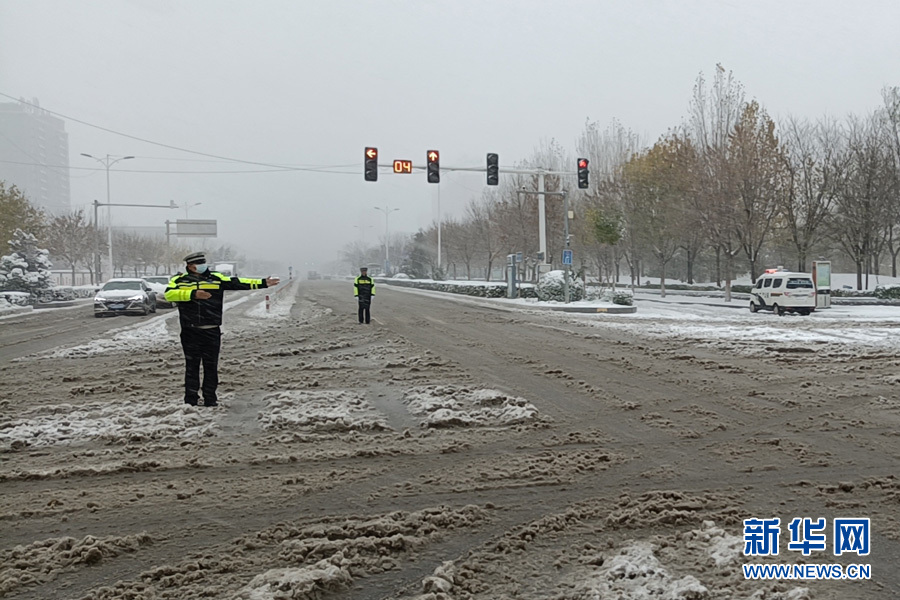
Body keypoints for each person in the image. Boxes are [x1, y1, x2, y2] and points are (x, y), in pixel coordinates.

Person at [165, 252, 280, 406]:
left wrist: (263, 283)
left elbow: (239, 282)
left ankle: (210, 399)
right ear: (190, 266)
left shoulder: (216, 278)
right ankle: (190, 399)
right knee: (191, 366)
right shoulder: (179, 280)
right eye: (198, 263)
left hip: (211, 330)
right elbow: (169, 295)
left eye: (203, 262)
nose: (202, 265)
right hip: (190, 330)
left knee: (211, 366)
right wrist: (193, 294)